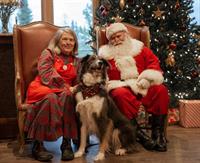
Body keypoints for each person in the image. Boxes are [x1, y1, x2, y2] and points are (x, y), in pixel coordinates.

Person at [98, 23, 169, 152]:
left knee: (161, 90)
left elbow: (153, 63)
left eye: (118, 36)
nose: (116, 40)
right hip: (120, 86)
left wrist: (147, 79)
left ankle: (157, 133)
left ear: (126, 34)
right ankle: (139, 135)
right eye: (112, 38)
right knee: (119, 94)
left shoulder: (140, 48)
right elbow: (102, 74)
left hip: (142, 83)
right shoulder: (105, 55)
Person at [24, 27, 79, 161]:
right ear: (57, 41)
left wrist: (76, 88)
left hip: (65, 91)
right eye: (64, 39)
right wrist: (66, 87)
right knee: (51, 98)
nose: (68, 42)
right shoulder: (48, 53)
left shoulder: (77, 61)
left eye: (71, 40)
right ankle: (38, 145)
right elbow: (46, 74)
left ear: (75, 43)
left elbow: (79, 81)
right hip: (44, 86)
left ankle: (66, 144)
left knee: (68, 96)